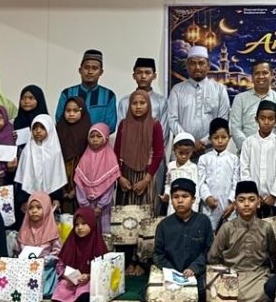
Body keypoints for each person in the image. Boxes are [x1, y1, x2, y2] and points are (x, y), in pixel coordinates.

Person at [208, 180, 276, 302]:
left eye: (251, 200)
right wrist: (226, 273)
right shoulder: (227, 228)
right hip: (233, 275)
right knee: (232, 295)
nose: (246, 204)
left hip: (258, 276)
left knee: (268, 292)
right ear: (235, 204)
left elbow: (273, 255)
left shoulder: (266, 228)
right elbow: (213, 257)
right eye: (241, 200)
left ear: (258, 203)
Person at [115, 89, 165, 274]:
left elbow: (159, 153)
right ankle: (128, 260)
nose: (138, 107)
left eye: (142, 103)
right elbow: (116, 152)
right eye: (134, 103)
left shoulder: (155, 125)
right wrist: (119, 177)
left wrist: (146, 179)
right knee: (126, 219)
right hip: (126, 176)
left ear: (148, 105)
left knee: (145, 219)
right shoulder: (123, 125)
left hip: (147, 176)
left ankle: (142, 262)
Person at [154, 178, 215, 302]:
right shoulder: (164, 225)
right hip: (171, 273)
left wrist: (194, 268)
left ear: (193, 199)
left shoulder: (203, 221)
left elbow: (209, 251)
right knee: (154, 293)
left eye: (185, 196)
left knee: (203, 292)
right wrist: (172, 271)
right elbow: (158, 255)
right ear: (171, 199)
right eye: (175, 197)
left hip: (197, 273)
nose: (180, 200)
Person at [165, 45, 230, 155]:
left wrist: (205, 142)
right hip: (183, 151)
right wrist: (189, 140)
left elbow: (223, 119)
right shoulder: (177, 90)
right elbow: (171, 119)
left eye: (201, 63)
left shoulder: (219, 89)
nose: (197, 67)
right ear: (187, 66)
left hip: (212, 150)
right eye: (193, 63)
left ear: (208, 66)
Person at [238, 101, 276, 217]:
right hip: (252, 200)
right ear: (256, 119)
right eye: (262, 118)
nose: (266, 122)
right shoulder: (248, 143)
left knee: (273, 227)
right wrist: (253, 194)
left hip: (274, 200)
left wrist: (273, 195)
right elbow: (244, 170)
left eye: (270, 119)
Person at [228, 59, 276, 150]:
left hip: (273, 152)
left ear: (272, 75)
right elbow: (235, 128)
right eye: (257, 73)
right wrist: (248, 149)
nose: (261, 76)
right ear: (252, 77)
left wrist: (270, 149)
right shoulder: (240, 99)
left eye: (265, 73)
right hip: (246, 152)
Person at [52, 206, 106, 302]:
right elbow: (60, 265)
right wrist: (67, 275)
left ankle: (82, 295)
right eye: (76, 224)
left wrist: (89, 276)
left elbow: (104, 269)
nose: (80, 227)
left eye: (84, 223)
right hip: (71, 281)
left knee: (87, 288)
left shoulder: (98, 244)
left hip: (89, 280)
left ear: (92, 223)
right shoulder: (71, 242)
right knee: (62, 286)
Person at [73, 123, 119, 236]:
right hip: (86, 206)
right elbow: (79, 184)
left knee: (104, 234)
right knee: (88, 233)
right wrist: (86, 206)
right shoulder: (84, 159)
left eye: (99, 136)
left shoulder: (110, 158)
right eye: (92, 136)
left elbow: (110, 185)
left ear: (106, 137)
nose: (94, 139)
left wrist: (100, 206)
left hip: (104, 207)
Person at [55, 49, 118, 131]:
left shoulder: (109, 96)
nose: (90, 72)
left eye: (94, 68)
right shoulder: (67, 93)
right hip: (72, 138)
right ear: (80, 70)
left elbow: (111, 125)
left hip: (96, 138)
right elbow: (59, 120)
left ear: (101, 72)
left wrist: (94, 135)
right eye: (86, 67)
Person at [16, 191, 62, 297]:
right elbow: (17, 251)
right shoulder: (24, 230)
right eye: (31, 208)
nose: (34, 211)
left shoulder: (52, 230)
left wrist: (43, 261)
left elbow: (58, 252)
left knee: (45, 288)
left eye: (38, 207)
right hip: (26, 269)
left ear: (46, 209)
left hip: (46, 269)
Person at [15, 114, 67, 205]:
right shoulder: (27, 151)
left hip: (50, 198)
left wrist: (56, 198)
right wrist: (23, 200)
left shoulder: (55, 151)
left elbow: (57, 177)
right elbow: (23, 178)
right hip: (29, 199)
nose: (38, 131)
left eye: (42, 128)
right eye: (35, 128)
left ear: (49, 129)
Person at [199, 118, 239, 232]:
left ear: (229, 138)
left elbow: (236, 182)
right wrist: (207, 197)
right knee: (209, 235)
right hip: (209, 207)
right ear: (210, 138)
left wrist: (232, 203)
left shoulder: (234, 159)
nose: (220, 141)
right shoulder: (204, 159)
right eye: (216, 138)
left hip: (229, 207)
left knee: (229, 234)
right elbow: (201, 182)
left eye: (224, 137)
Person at [55, 96, 92, 214]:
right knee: (64, 215)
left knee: (82, 214)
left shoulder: (88, 130)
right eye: (68, 110)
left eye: (75, 111)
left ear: (82, 111)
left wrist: (78, 187)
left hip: (81, 175)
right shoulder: (59, 129)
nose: (71, 114)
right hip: (62, 175)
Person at [115, 57, 166, 130]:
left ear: (154, 76)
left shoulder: (161, 101)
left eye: (147, 73)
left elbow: (164, 130)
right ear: (134, 76)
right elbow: (121, 129)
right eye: (139, 72)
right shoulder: (125, 101)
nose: (143, 76)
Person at [163, 133, 200, 216]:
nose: (184, 156)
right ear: (174, 149)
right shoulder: (171, 166)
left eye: (187, 153)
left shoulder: (192, 168)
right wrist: (167, 193)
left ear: (192, 151)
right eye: (181, 153)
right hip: (173, 203)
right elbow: (168, 183)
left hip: (187, 204)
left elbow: (196, 189)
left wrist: (194, 208)